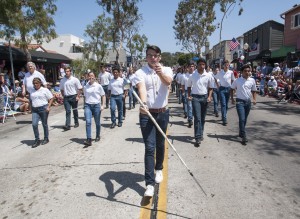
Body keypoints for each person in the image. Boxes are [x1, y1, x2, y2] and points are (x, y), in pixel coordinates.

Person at [132, 45, 173, 197]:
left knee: (160, 144)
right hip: (146, 115)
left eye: (155, 55)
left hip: (162, 113)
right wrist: (143, 104)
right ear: (146, 57)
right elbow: (142, 89)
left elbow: (168, 82)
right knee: (149, 147)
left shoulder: (167, 70)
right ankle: (149, 184)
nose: (153, 58)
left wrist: (160, 72)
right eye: (149, 55)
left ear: (159, 57)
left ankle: (159, 168)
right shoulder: (140, 72)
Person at [187, 58, 214, 147]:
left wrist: (209, 97)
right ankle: (197, 137)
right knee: (197, 118)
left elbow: (210, 87)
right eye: (200, 65)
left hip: (204, 98)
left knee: (202, 118)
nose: (202, 66)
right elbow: (189, 86)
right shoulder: (192, 75)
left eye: (203, 65)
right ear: (197, 66)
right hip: (195, 98)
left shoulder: (208, 75)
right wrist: (189, 95)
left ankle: (201, 133)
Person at [231, 64, 256, 145]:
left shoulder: (252, 80)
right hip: (239, 102)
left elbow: (254, 90)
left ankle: (241, 132)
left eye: (248, 71)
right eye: (245, 71)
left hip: (248, 102)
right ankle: (244, 136)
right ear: (242, 72)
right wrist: (232, 99)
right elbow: (231, 89)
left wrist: (254, 99)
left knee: (244, 119)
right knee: (242, 119)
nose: (247, 72)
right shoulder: (237, 80)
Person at [30, 77, 54, 148]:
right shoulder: (32, 91)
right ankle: (37, 139)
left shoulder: (44, 90)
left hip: (43, 108)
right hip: (35, 109)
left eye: (37, 83)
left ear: (40, 83)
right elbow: (30, 100)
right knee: (34, 124)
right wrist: (31, 108)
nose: (35, 85)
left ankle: (46, 138)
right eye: (34, 83)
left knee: (44, 124)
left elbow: (51, 98)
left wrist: (48, 107)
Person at [83, 72, 105, 146]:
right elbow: (85, 97)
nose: (90, 77)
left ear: (94, 77)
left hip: (96, 105)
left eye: (92, 76)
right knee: (88, 122)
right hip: (88, 105)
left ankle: (97, 135)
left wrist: (102, 105)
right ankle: (89, 139)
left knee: (97, 122)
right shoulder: (85, 87)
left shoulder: (98, 86)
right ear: (87, 77)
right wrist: (84, 105)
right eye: (89, 76)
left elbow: (103, 95)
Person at [215, 60, 235, 126]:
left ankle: (224, 115)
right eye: (226, 65)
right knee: (223, 104)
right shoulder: (220, 72)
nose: (227, 66)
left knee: (226, 105)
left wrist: (232, 87)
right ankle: (224, 118)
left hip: (228, 89)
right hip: (222, 89)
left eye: (228, 65)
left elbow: (233, 80)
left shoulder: (231, 72)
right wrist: (218, 86)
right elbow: (215, 78)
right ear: (223, 65)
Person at [181, 63, 195, 127]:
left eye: (192, 66)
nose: (191, 67)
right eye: (190, 66)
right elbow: (182, 85)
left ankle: (192, 117)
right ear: (188, 68)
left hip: (195, 92)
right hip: (187, 91)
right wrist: (183, 92)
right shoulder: (184, 76)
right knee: (189, 105)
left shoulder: (196, 74)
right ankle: (190, 119)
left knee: (194, 106)